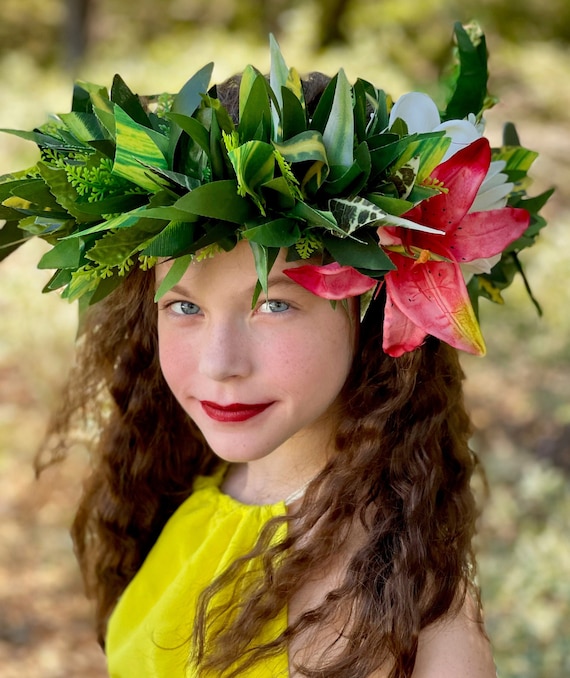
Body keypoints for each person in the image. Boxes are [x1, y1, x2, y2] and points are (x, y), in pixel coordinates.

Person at [0, 23, 553, 678]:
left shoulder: (412, 622)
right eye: (184, 307)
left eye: (274, 304)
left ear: (377, 312)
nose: (219, 363)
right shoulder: (180, 496)